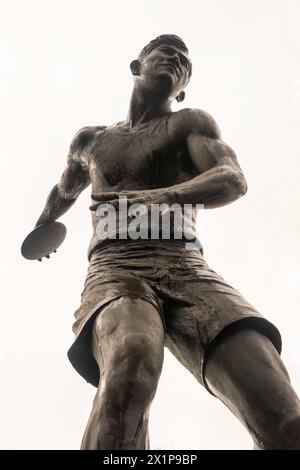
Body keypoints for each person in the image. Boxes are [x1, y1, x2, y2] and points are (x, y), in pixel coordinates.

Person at [35, 34, 300, 450]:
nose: (178, 62)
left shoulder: (190, 123)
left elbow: (232, 178)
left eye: (185, 63)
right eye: (168, 53)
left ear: (184, 89)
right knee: (130, 365)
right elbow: (64, 190)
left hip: (186, 265)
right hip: (118, 270)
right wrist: (42, 227)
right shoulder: (90, 141)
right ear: (137, 66)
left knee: (283, 412)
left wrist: (160, 196)